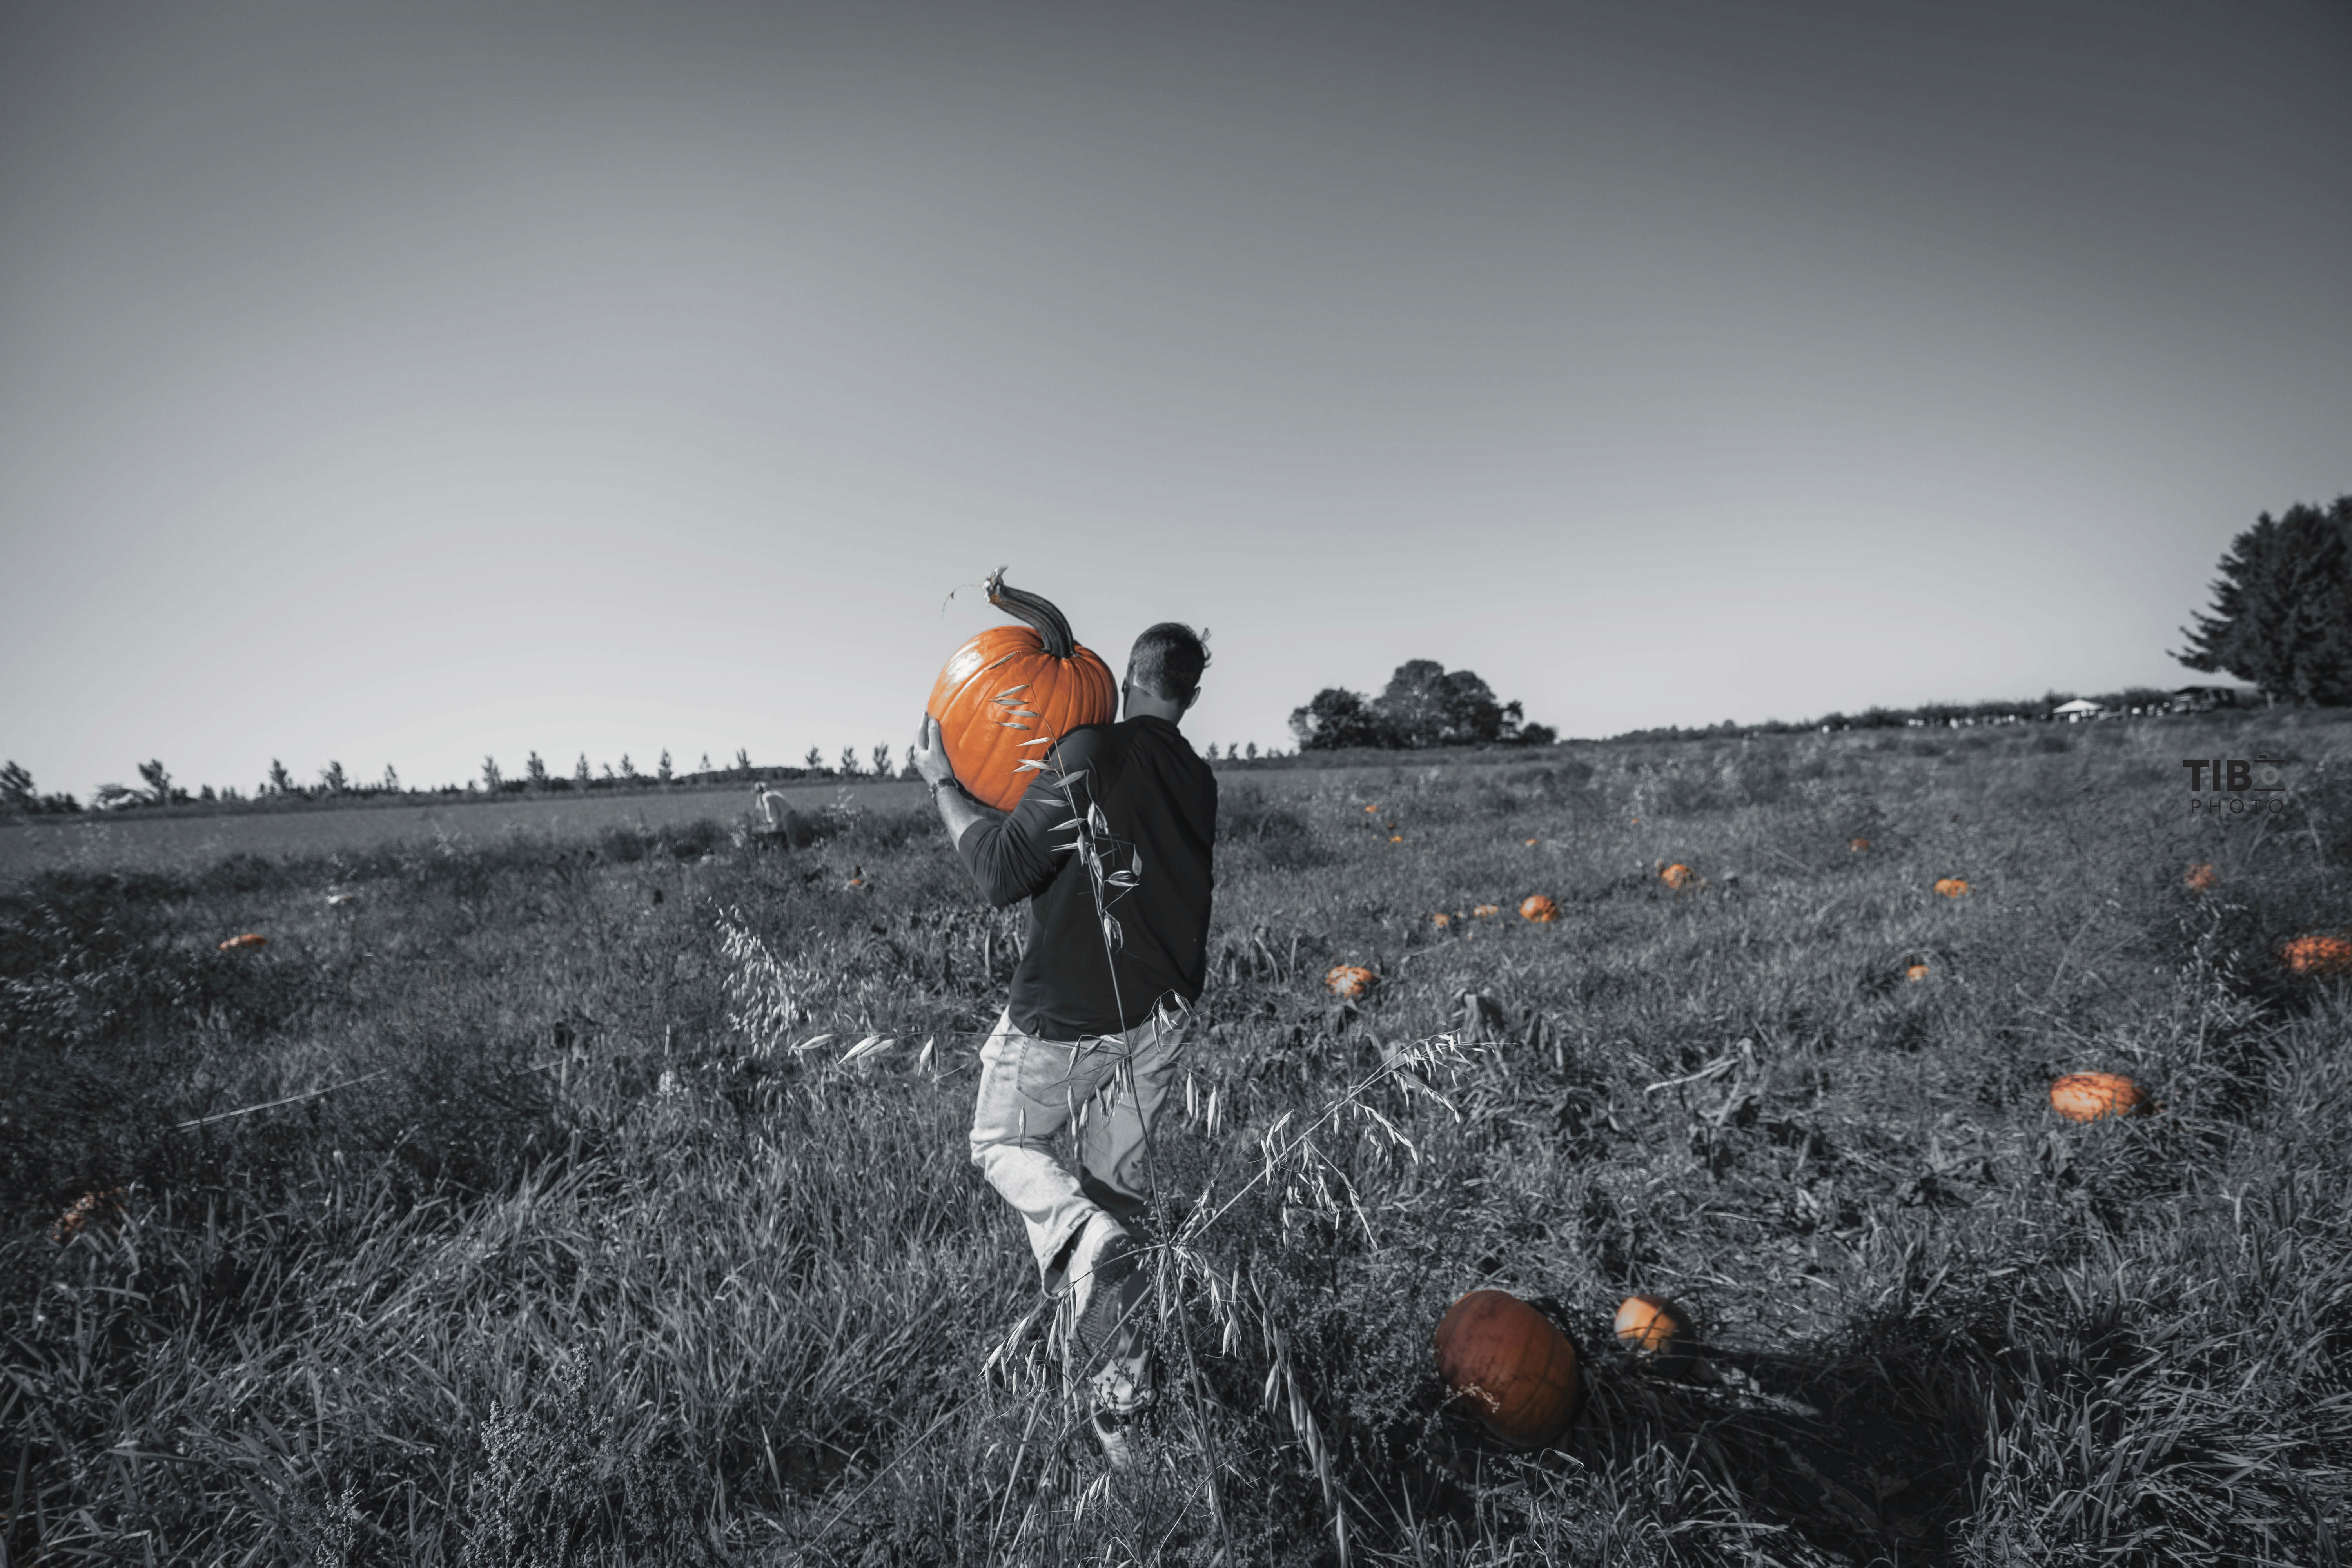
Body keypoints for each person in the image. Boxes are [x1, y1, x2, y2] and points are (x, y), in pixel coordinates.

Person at [909, 621, 1216, 1467]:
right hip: (1160, 1019)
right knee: (1124, 1198)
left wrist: (944, 782)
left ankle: (1076, 1240)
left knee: (1003, 1141)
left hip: (1074, 1013)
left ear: (1124, 676)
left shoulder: (1090, 749)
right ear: (1191, 691)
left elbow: (1000, 874)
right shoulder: (1196, 774)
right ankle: (1124, 1407)